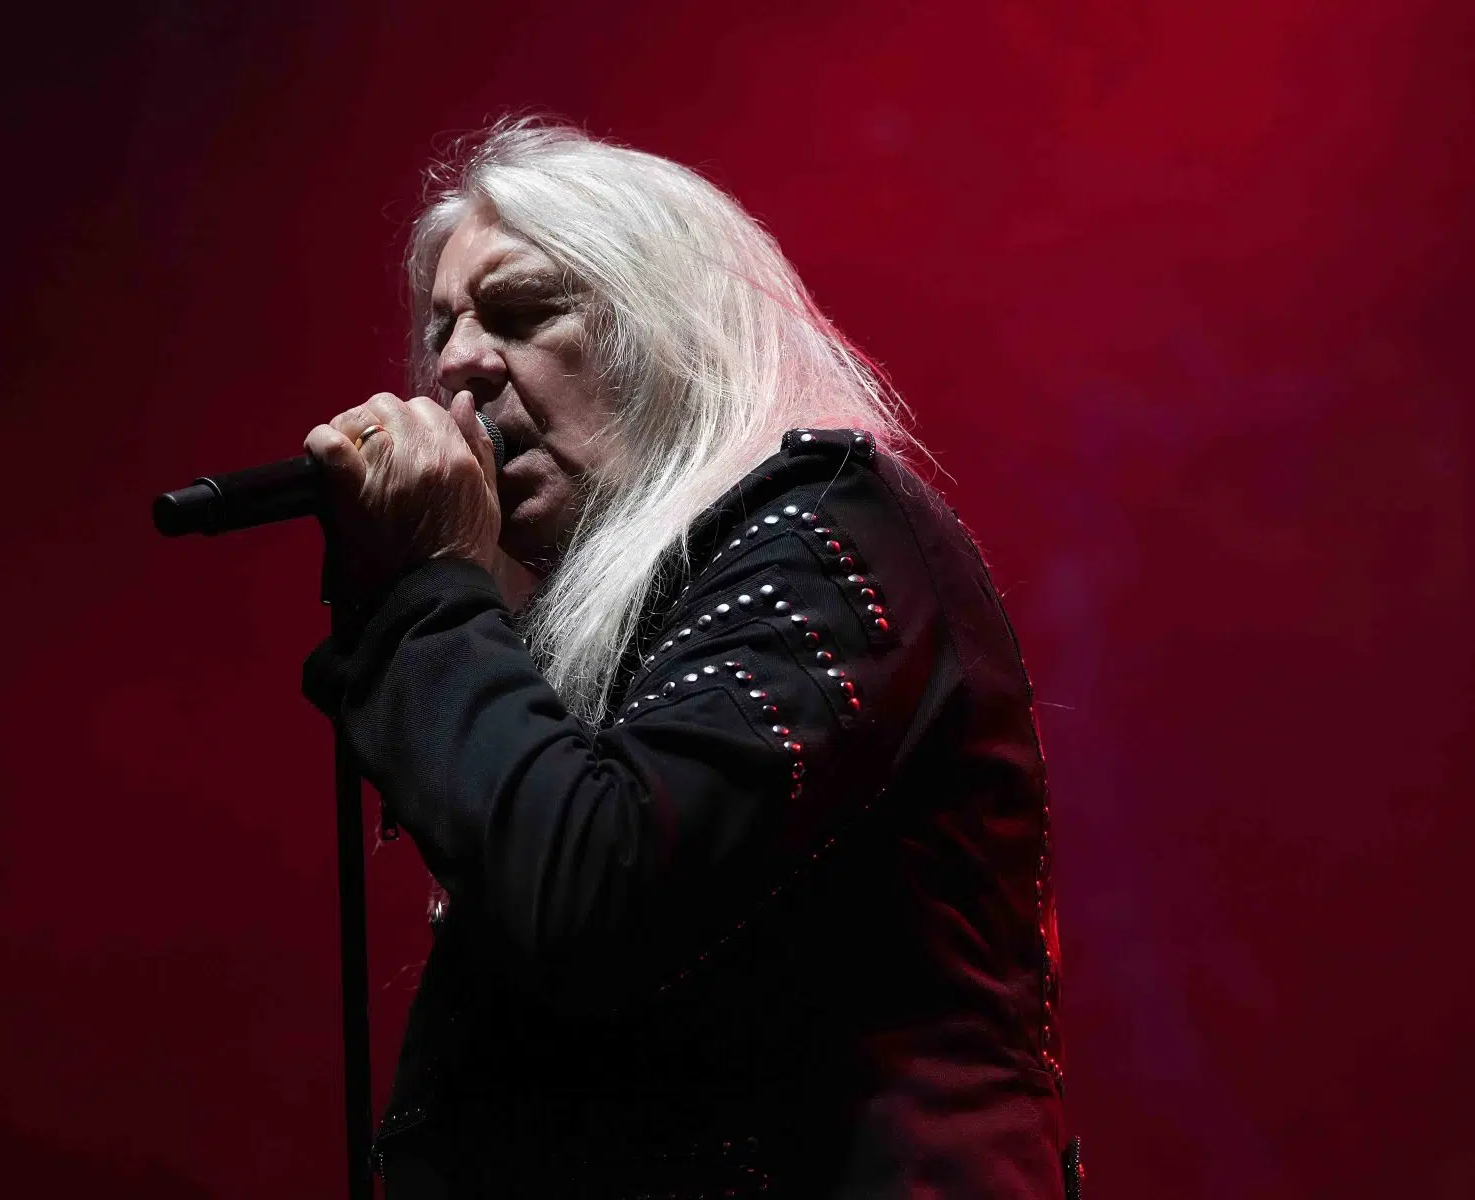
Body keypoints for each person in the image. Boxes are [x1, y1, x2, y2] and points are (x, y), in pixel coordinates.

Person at [301, 119, 1073, 1199]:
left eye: (522, 311)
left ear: (674, 335)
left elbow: (592, 888)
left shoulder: (827, 534)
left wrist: (429, 591)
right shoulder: (595, 634)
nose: (457, 366)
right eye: (444, 331)